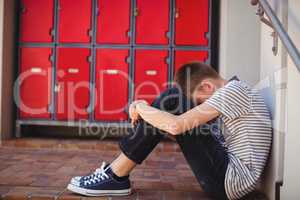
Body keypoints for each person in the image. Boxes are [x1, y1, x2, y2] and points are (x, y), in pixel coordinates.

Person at [67, 62, 272, 200]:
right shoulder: (236, 91)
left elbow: (175, 125)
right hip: (227, 176)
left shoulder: (234, 91)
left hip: (229, 181)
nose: (199, 106)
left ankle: (116, 175)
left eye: (199, 101)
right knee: (171, 103)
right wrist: (151, 114)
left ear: (207, 86)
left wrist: (141, 107)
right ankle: (115, 174)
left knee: (174, 98)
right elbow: (179, 131)